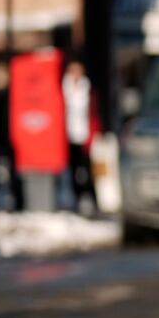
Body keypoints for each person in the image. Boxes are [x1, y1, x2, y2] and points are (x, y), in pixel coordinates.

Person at [61, 58, 96, 214]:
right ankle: (76, 198)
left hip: (85, 135)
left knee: (88, 169)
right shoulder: (63, 89)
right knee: (73, 170)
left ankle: (91, 198)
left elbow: (94, 113)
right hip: (68, 135)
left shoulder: (87, 89)